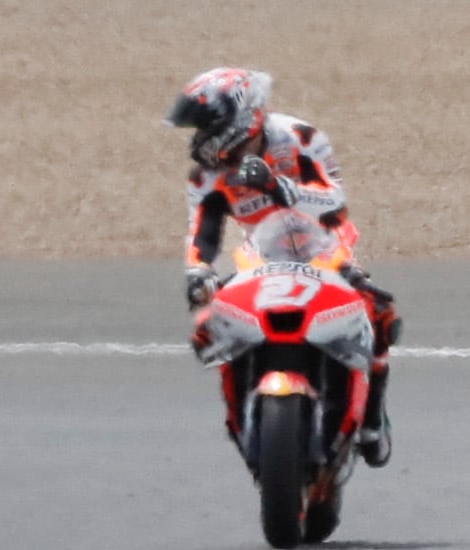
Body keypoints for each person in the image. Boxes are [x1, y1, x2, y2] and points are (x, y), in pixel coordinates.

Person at [166, 69, 398, 465]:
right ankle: (238, 413)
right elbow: (202, 231)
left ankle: (373, 420)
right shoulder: (206, 175)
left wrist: (277, 186)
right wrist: (198, 271)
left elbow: (335, 202)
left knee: (380, 314)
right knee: (208, 325)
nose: (198, 140)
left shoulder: (301, 139)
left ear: (242, 118)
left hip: (325, 249)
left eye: (207, 128)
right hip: (260, 256)